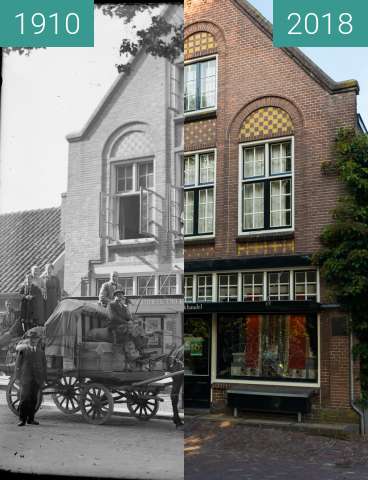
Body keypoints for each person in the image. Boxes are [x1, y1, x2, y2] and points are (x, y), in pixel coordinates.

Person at [15, 329, 47, 426]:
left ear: (37, 340)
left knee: (34, 399)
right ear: (28, 340)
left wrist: (43, 379)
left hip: (36, 379)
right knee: (24, 399)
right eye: (31, 339)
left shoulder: (40, 352)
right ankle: (22, 419)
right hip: (26, 379)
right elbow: (18, 364)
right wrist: (17, 378)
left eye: (35, 339)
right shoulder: (23, 351)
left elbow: (44, 366)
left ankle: (31, 419)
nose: (33, 340)